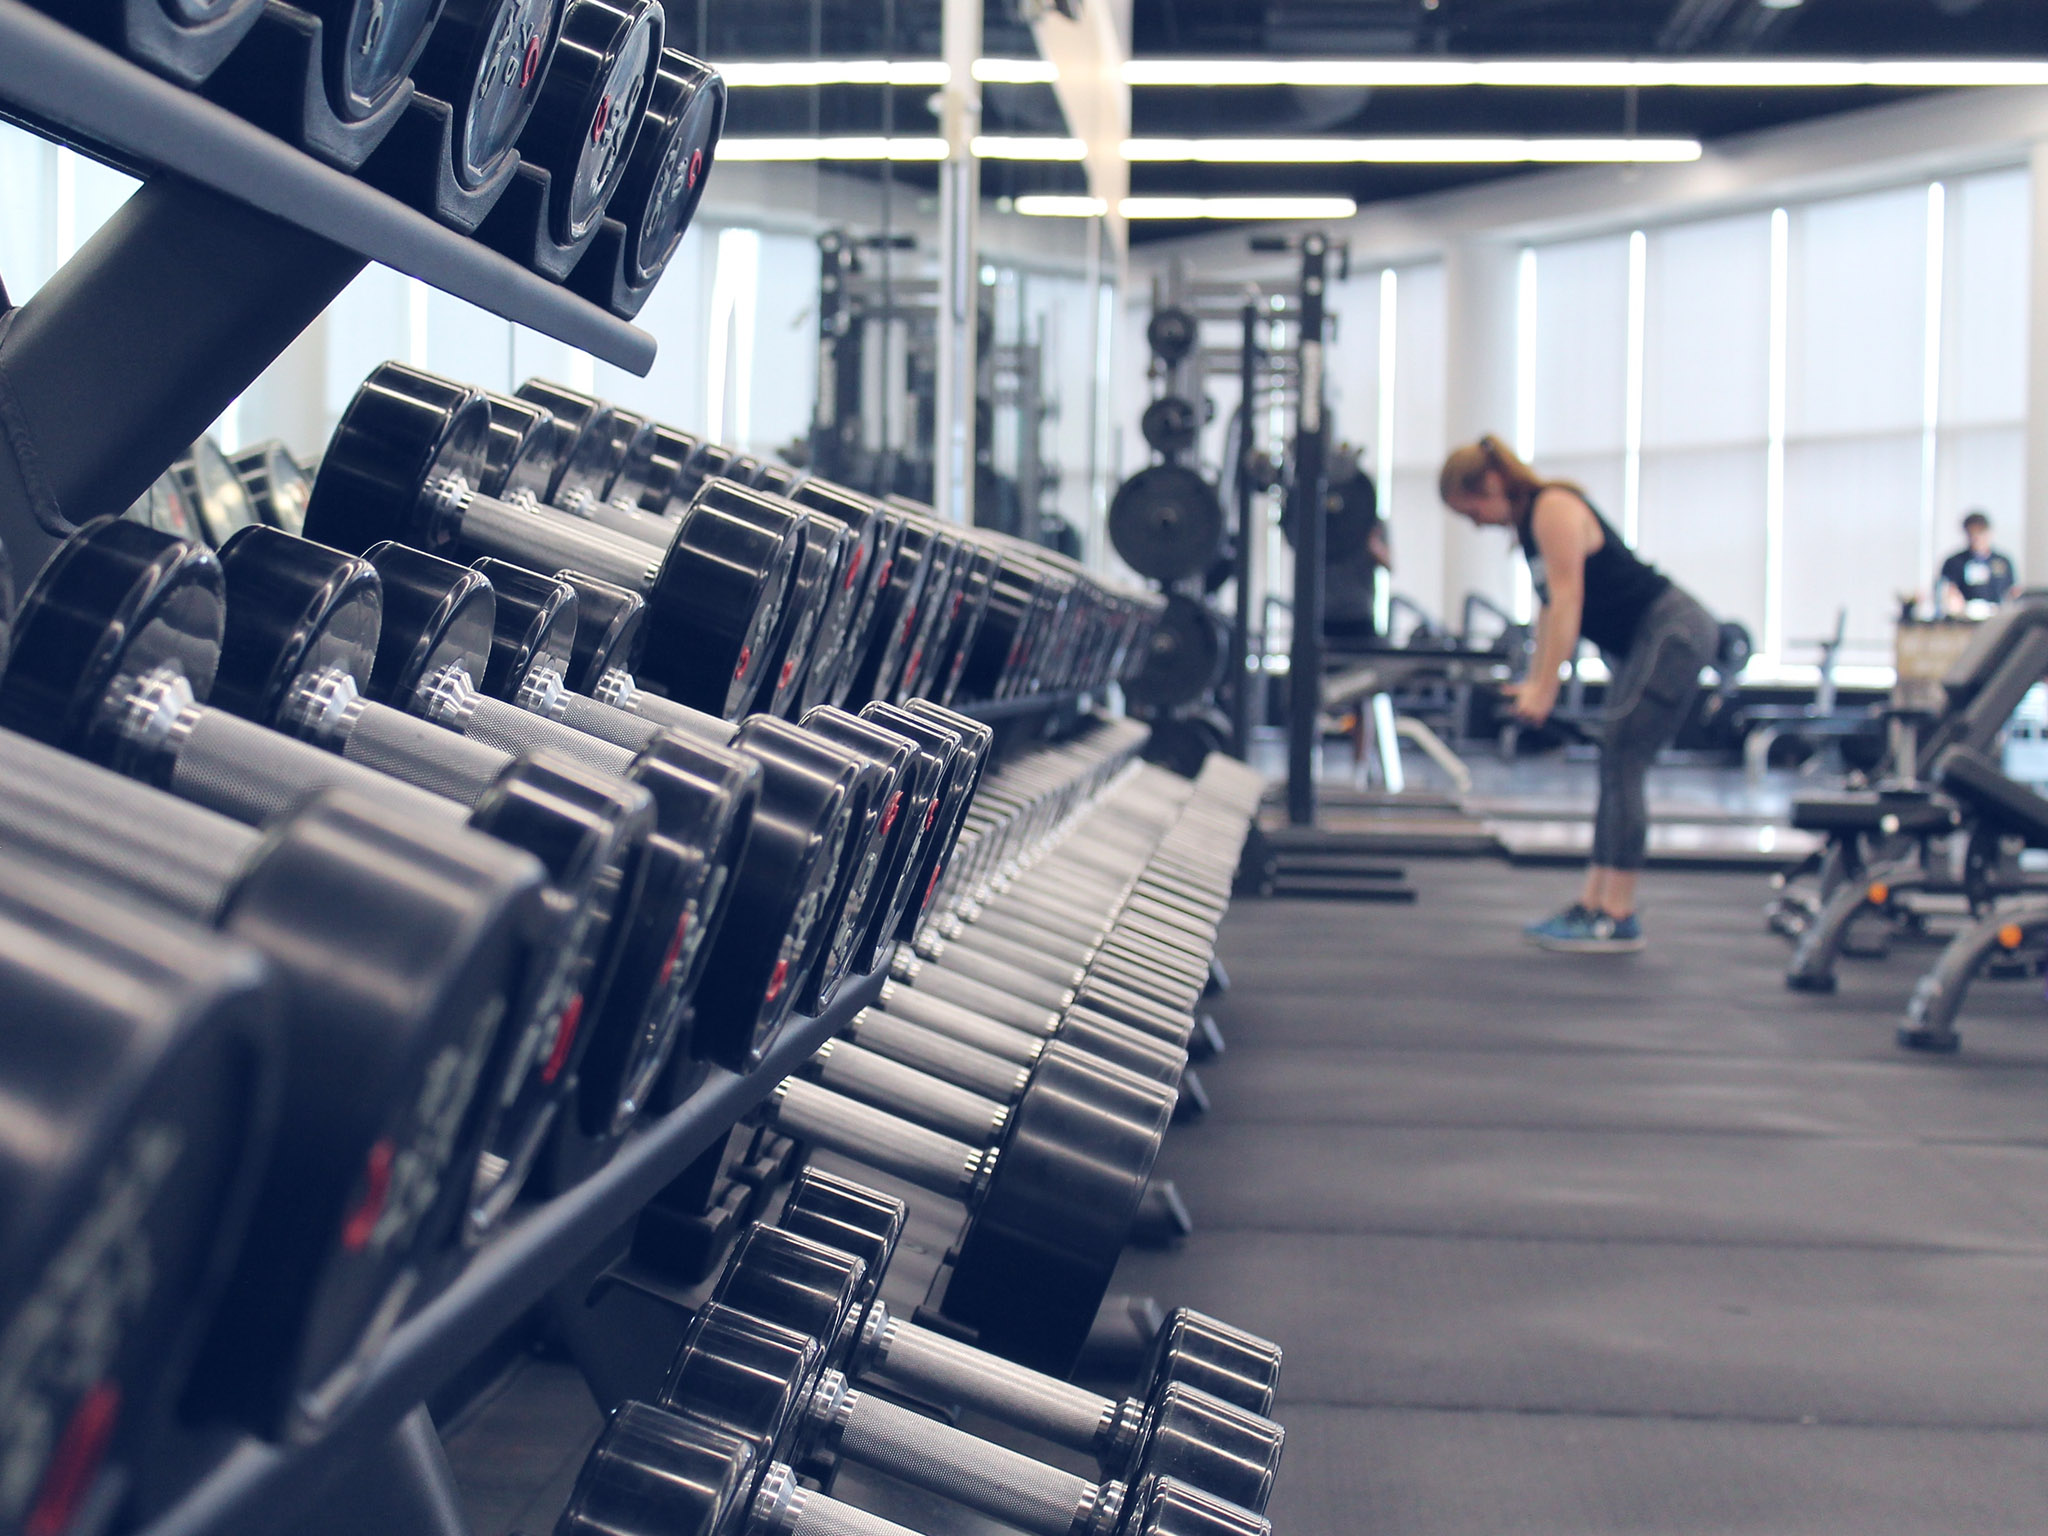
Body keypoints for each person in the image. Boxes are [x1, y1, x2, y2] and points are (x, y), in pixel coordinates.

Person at [1439, 435, 1719, 953]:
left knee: (1624, 757)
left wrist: (1547, 689)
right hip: (1644, 640)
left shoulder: (1553, 507)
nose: (1476, 522)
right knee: (1615, 759)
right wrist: (1537, 681)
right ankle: (1594, 903)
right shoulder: (1530, 529)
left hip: (1672, 633)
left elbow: (1569, 601)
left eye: (1472, 508)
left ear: (1493, 483)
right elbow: (1549, 612)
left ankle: (1618, 911)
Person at [1938, 512, 2016, 616]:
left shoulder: (2002, 562)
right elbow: (1947, 589)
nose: (1976, 538)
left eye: (1980, 533)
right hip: (1963, 617)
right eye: (1972, 533)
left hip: (1996, 616)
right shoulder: (1954, 562)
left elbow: (2011, 592)